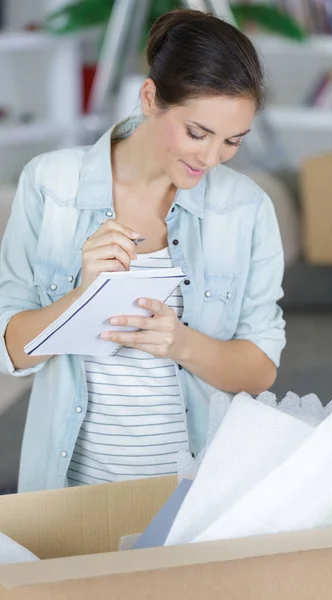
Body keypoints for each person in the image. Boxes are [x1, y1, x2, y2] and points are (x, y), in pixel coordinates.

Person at [0, 9, 286, 493]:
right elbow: (12, 349)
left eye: (232, 141)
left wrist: (180, 343)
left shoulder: (246, 209)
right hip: (69, 492)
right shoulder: (50, 184)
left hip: (193, 494)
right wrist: (82, 297)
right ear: (151, 97)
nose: (211, 158)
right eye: (197, 133)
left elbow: (259, 371)